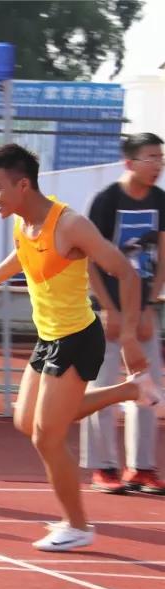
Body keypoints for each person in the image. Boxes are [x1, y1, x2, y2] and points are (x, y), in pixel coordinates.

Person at [0, 143, 161, 552]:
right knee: (26, 420)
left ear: (23, 185)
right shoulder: (23, 222)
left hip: (77, 339)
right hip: (48, 338)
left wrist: (128, 336)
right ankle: (129, 390)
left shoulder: (70, 224)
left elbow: (125, 272)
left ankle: (78, 525)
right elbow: (22, 254)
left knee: (47, 437)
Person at [80, 132, 165, 494]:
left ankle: (141, 467)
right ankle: (103, 467)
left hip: (142, 310)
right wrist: (108, 309)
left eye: (160, 157)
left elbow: (162, 256)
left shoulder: (160, 200)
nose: (158, 164)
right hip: (107, 310)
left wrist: (149, 304)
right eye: (151, 157)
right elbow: (89, 260)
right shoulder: (106, 200)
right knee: (102, 387)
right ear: (129, 162)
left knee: (148, 387)